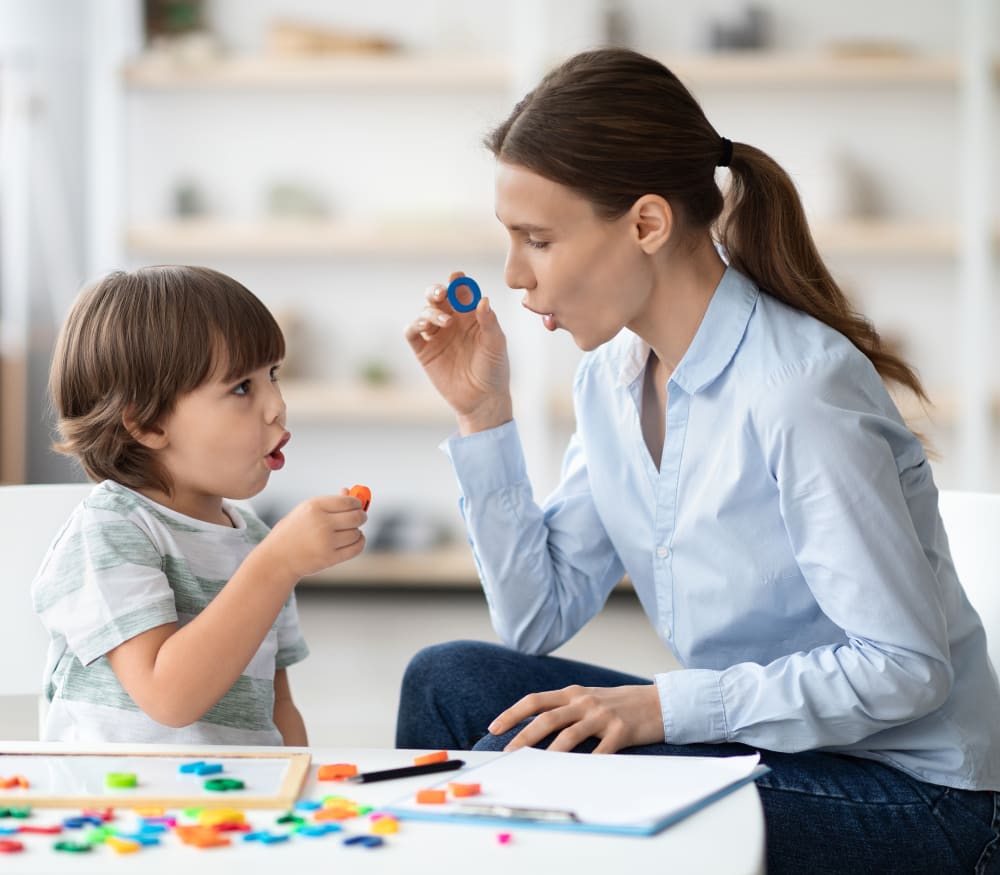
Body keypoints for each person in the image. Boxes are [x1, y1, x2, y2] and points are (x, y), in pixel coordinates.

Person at [398, 48, 1000, 873]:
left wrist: (664, 707)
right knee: (449, 682)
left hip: (917, 799)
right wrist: (482, 416)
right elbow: (537, 618)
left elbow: (904, 671)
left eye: (537, 239)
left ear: (647, 224)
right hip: (773, 751)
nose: (514, 276)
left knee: (555, 773)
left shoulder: (799, 390)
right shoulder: (611, 380)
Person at [33, 265, 368, 746]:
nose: (277, 405)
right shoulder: (110, 531)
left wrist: (300, 797)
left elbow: (277, 706)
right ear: (147, 424)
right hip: (117, 811)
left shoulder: (255, 538)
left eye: (272, 375)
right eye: (241, 388)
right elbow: (168, 697)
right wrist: (277, 566)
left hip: (232, 812)